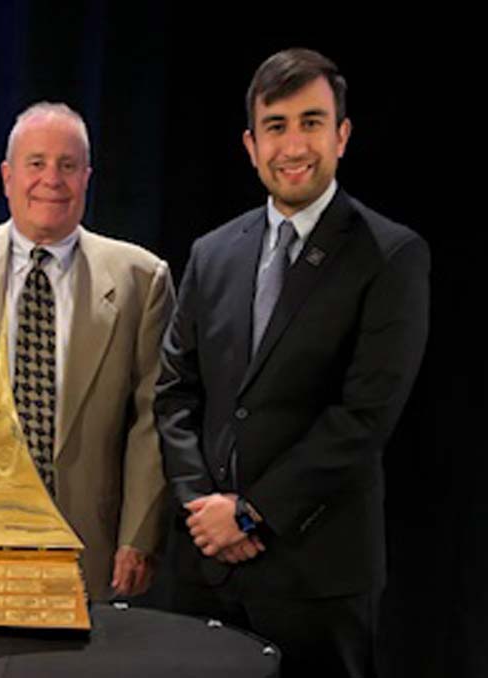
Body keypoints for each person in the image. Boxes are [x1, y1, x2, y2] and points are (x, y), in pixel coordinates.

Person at [154, 48, 429, 678]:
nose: (293, 144)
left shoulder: (390, 256)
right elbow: (175, 391)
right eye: (276, 126)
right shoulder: (213, 251)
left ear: (342, 135)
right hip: (208, 571)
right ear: (251, 145)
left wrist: (251, 513)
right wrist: (206, 510)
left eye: (311, 122)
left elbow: (363, 418)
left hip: (317, 576)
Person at [0, 102, 174, 600]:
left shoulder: (142, 278)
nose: (52, 179)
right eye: (36, 163)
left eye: (67, 165)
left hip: (90, 549)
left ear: (86, 177)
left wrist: (140, 535)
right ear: (7, 176)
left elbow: (150, 421)